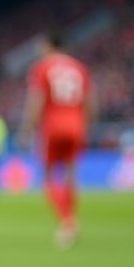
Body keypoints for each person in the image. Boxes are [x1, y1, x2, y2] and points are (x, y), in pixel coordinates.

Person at [19, 33, 94, 249]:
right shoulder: (80, 68)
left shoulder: (42, 67)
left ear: (49, 45)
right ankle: (71, 218)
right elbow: (90, 102)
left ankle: (67, 222)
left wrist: (27, 130)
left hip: (52, 126)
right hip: (77, 124)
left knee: (48, 176)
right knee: (71, 174)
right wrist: (85, 125)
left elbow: (37, 100)